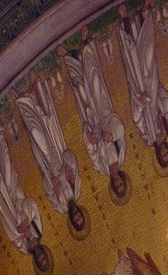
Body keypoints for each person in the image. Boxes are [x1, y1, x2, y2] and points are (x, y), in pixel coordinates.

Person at [16, 74, 88, 235]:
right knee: (48, 118)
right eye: (80, 216)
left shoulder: (60, 205)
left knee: (36, 133)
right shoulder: (76, 188)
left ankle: (23, 103)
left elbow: (45, 185)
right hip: (58, 152)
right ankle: (35, 88)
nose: (77, 215)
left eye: (75, 219)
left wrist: (53, 185)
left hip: (48, 167)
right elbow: (71, 156)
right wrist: (69, 167)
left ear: (71, 219)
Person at [0, 125, 51, 274]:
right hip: (17, 195)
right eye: (44, 258)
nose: (40, 258)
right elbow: (31, 203)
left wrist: (19, 229)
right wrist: (26, 220)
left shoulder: (22, 246)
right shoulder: (38, 230)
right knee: (6, 163)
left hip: (7, 204)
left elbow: (11, 230)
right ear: (45, 253)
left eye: (39, 261)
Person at [65, 42, 130, 200]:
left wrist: (90, 139)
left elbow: (92, 153)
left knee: (81, 91)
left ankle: (69, 56)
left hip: (92, 121)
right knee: (95, 83)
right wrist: (112, 136)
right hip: (104, 114)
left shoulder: (101, 167)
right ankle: (86, 45)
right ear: (124, 180)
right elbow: (121, 130)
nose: (118, 182)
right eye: (122, 184)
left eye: (117, 186)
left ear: (113, 186)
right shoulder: (121, 155)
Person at [120, 10, 168, 167]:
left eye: (162, 155)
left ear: (158, 155)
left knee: (133, 61)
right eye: (167, 153)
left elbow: (137, 119)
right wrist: (161, 112)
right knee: (148, 52)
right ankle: (143, 16)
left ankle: (125, 19)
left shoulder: (148, 138)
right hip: (152, 88)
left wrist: (140, 102)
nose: (164, 151)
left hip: (141, 94)